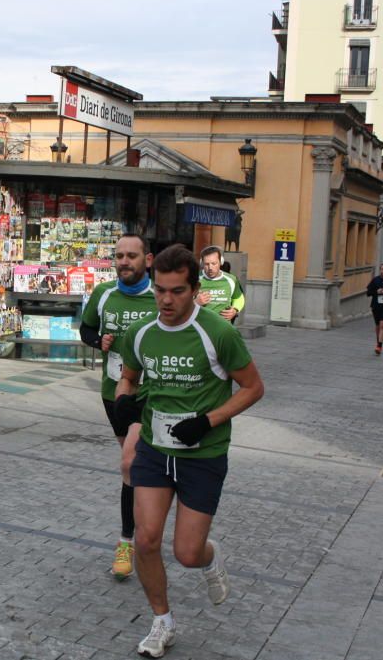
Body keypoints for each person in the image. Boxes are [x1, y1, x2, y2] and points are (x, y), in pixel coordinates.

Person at [115, 244, 264, 657]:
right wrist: (127, 402)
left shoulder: (218, 332)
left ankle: (211, 557)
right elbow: (127, 379)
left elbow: (254, 388)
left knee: (186, 552)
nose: (165, 300)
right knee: (145, 541)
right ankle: (162, 621)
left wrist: (208, 420)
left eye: (176, 291)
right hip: (154, 451)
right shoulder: (141, 333)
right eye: (160, 290)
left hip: (203, 455)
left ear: (195, 289)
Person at [80, 234, 156, 581]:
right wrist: (100, 341)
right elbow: (85, 329)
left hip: (152, 395)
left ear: (147, 260)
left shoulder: (160, 296)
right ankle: (142, 527)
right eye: (119, 256)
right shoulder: (104, 294)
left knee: (129, 463)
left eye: (132, 256)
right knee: (136, 467)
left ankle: (128, 541)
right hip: (114, 393)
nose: (124, 262)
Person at [196, 245, 244, 322]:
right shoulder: (194, 279)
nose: (210, 268)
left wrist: (235, 310)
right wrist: (195, 302)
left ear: (221, 262)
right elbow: (181, 304)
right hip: (200, 328)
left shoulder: (231, 279)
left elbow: (238, 298)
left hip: (224, 329)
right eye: (207, 264)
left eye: (214, 263)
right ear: (202, 263)